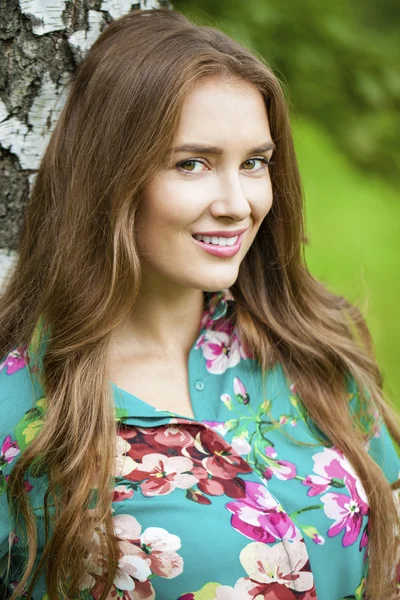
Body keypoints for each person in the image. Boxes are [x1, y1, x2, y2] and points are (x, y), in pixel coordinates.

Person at [0, 7, 398, 600]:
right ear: (112, 175)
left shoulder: (308, 349)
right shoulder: (25, 407)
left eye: (254, 164)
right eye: (193, 164)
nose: (237, 204)